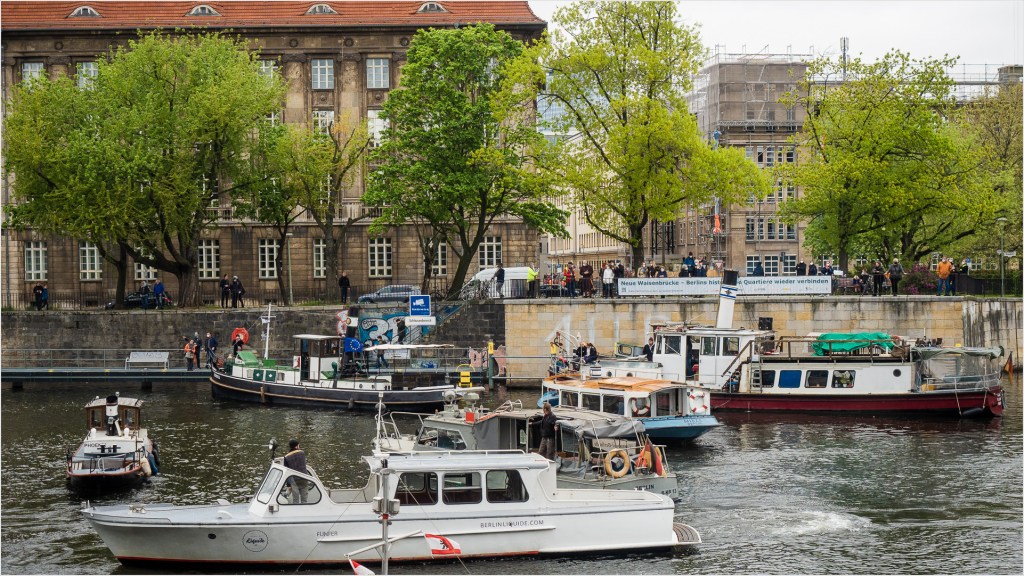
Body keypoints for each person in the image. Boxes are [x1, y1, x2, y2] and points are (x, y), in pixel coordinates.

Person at [283, 439, 310, 504]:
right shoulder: (302, 453)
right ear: (296, 446)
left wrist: (289, 485)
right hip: (304, 478)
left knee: (295, 500)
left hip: (294, 480)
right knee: (304, 500)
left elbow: (287, 471)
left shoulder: (286, 457)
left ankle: (296, 511)